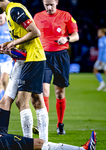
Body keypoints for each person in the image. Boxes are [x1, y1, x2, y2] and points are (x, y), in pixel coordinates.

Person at [0, 0, 49, 141]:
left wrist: (14, 42)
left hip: (33, 58)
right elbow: (23, 42)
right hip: (23, 59)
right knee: (30, 100)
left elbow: (35, 32)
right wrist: (8, 47)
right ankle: (38, 142)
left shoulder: (15, 10)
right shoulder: (9, 12)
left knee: (24, 100)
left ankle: (33, 142)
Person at [33, 0, 79, 135]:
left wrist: (67, 39)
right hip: (43, 57)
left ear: (57, 2)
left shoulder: (66, 16)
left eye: (51, 4)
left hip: (61, 57)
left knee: (59, 93)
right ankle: (44, 125)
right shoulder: (37, 16)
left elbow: (76, 35)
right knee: (44, 92)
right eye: (46, 4)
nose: (49, 7)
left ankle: (60, 124)